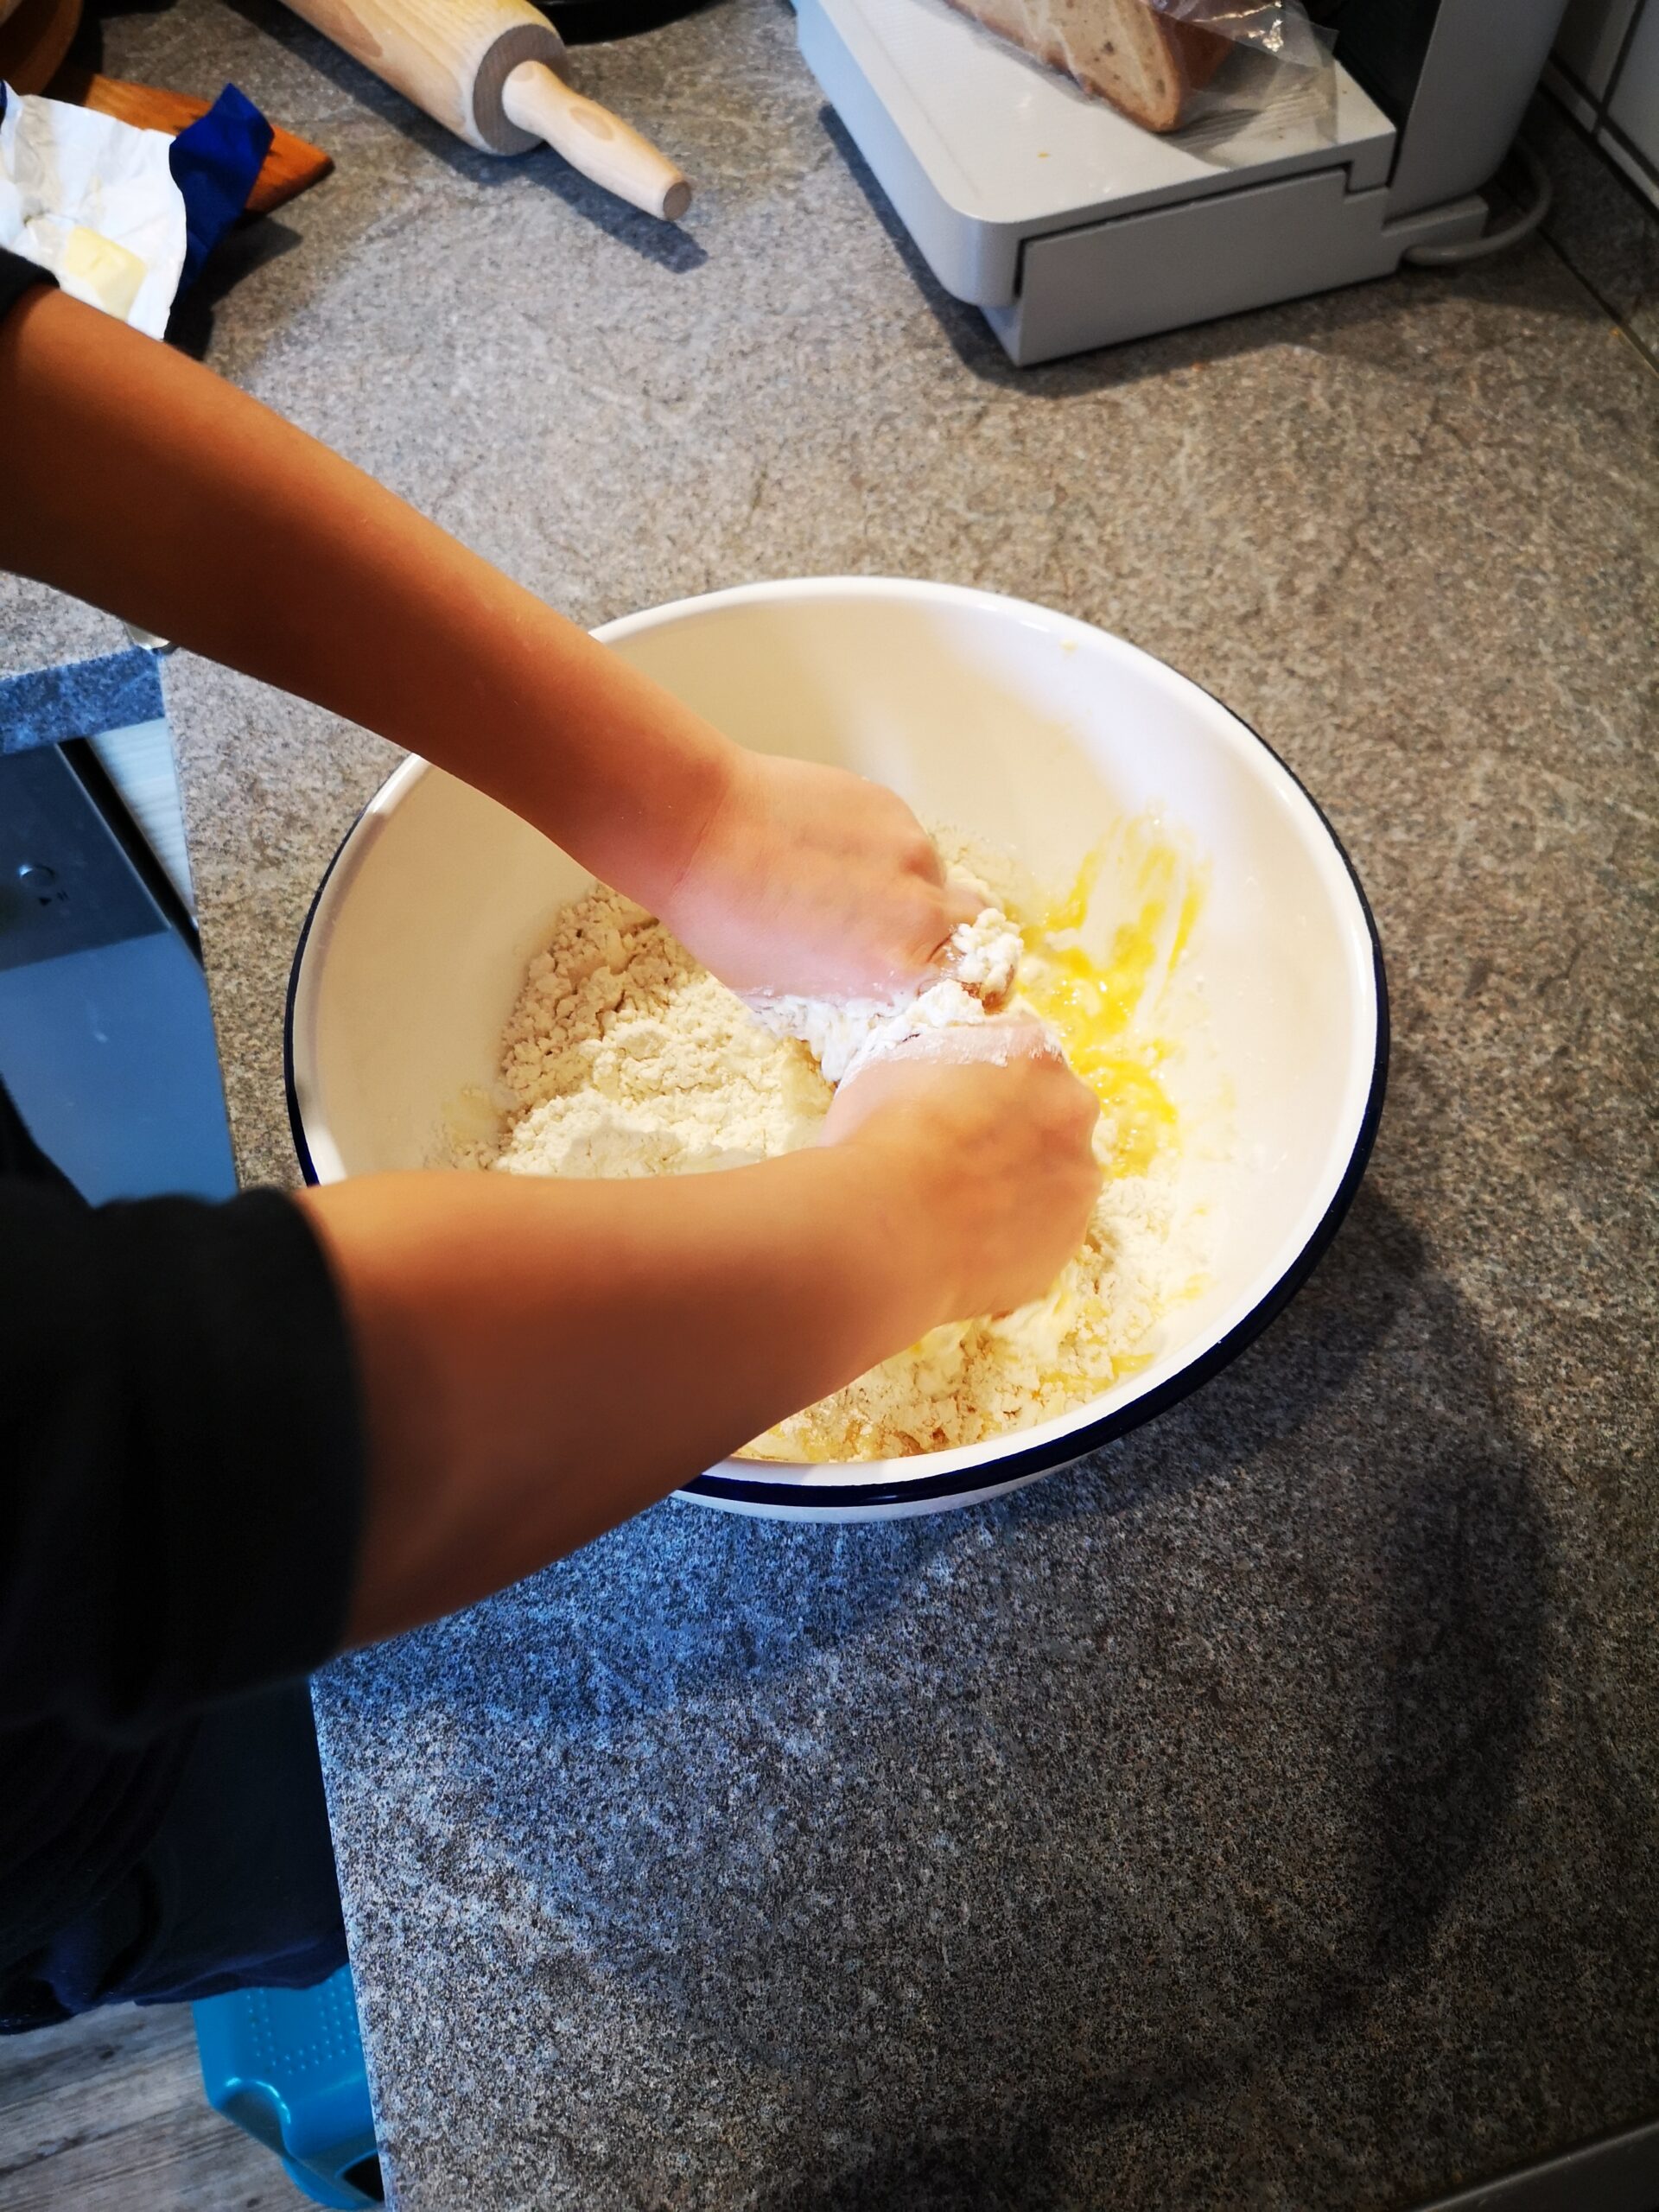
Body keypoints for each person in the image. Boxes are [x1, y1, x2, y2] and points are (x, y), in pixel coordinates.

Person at [0, 251, 1101, 2030]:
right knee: (325, 1861)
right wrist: (927, 1202)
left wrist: (683, 808)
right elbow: (112, 1448)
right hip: (56, 1762)